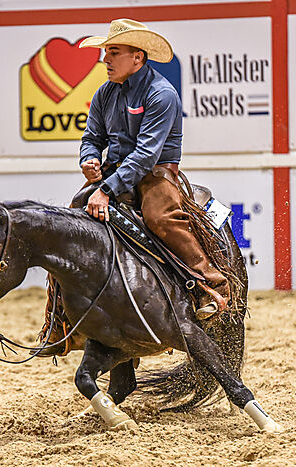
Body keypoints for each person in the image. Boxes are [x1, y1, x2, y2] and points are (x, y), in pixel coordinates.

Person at [37, 19, 233, 357]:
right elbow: (92, 137)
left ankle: (210, 285)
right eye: (106, 52)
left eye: (114, 52)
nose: (105, 59)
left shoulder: (161, 94)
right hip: (114, 173)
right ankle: (59, 321)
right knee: (71, 224)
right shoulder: (105, 93)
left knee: (160, 217)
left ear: (137, 57)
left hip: (155, 175)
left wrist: (106, 189)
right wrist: (89, 159)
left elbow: (146, 155)